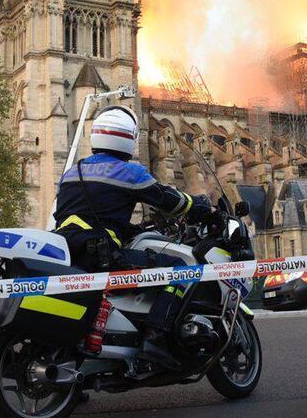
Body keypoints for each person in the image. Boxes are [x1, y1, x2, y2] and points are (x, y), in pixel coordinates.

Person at [52, 105, 213, 370]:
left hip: (69, 253)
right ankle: (156, 338)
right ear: (129, 138)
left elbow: (89, 213)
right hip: (102, 256)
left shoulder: (73, 172)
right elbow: (169, 200)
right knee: (180, 271)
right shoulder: (129, 172)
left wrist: (129, 230)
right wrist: (200, 204)